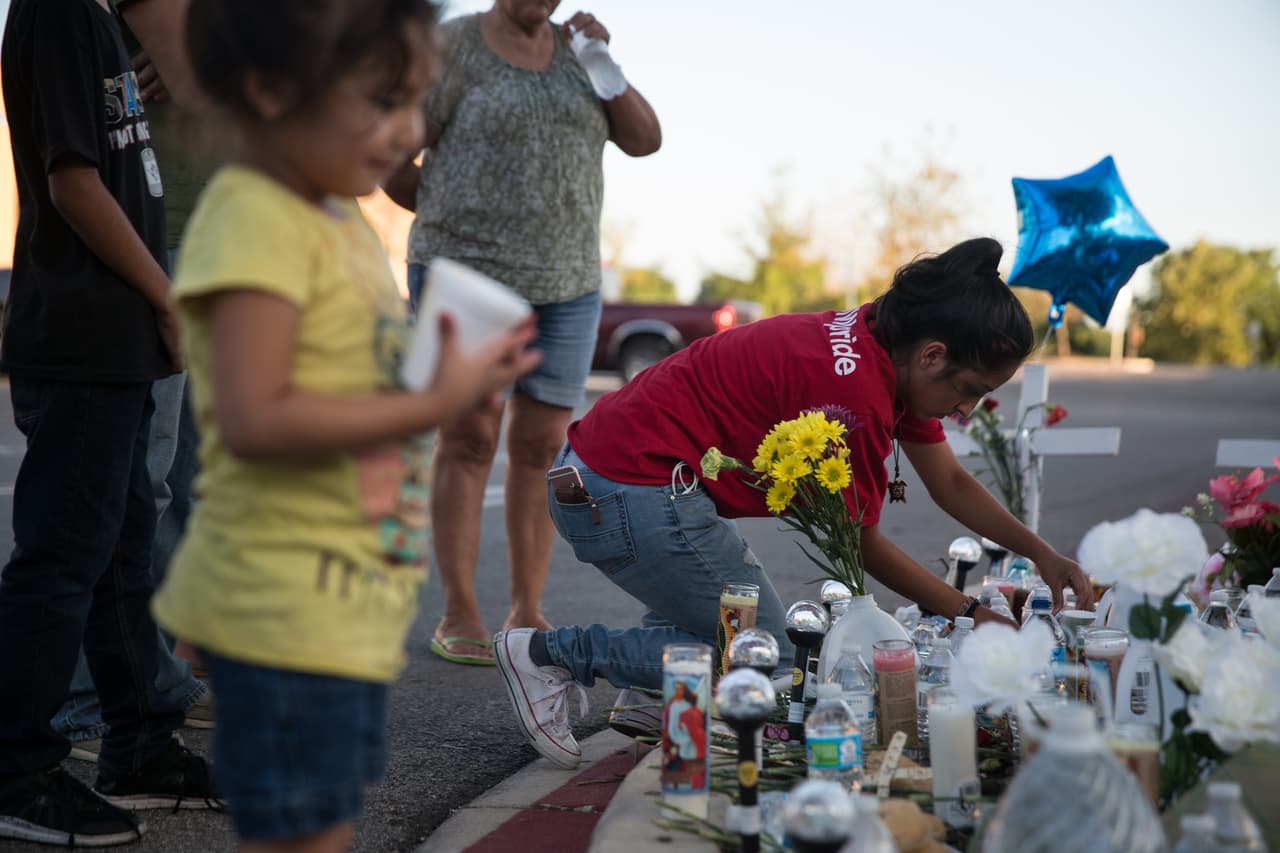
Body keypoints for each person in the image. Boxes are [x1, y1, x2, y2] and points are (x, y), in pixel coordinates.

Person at [150, 1, 541, 848]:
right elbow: (257, 418)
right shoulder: (257, 216)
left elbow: (349, 376)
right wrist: (433, 404)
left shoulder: (344, 221)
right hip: (285, 612)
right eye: (383, 100)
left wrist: (453, 382)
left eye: (416, 104)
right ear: (270, 90)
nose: (409, 132)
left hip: (343, 615)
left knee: (323, 828)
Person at [493, 238, 1096, 769]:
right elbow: (862, 544)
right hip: (627, 493)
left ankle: (658, 696)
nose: (966, 412)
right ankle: (548, 654)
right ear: (934, 356)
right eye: (969, 393)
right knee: (771, 651)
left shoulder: (881, 342)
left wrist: (1044, 555)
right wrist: (967, 611)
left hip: (620, 481)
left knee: (734, 621)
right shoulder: (853, 396)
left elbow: (950, 482)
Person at [0, 0, 221, 846]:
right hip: (87, 331)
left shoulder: (91, 20)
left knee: (123, 550)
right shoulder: (60, 13)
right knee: (61, 558)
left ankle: (140, 745)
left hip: (122, 334)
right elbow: (73, 180)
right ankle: (17, 768)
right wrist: (168, 303)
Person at [383, 0, 662, 666]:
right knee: (471, 435)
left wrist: (607, 65)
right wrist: (453, 210)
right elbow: (392, 157)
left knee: (541, 446)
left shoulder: (578, 54)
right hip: (467, 277)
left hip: (566, 284)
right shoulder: (454, 47)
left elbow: (646, 139)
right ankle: (459, 611)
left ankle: (527, 609)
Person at [53, 0, 221, 763]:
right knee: (135, 481)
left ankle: (147, 681)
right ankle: (94, 700)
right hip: (154, 239)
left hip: (207, 231)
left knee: (186, 481)